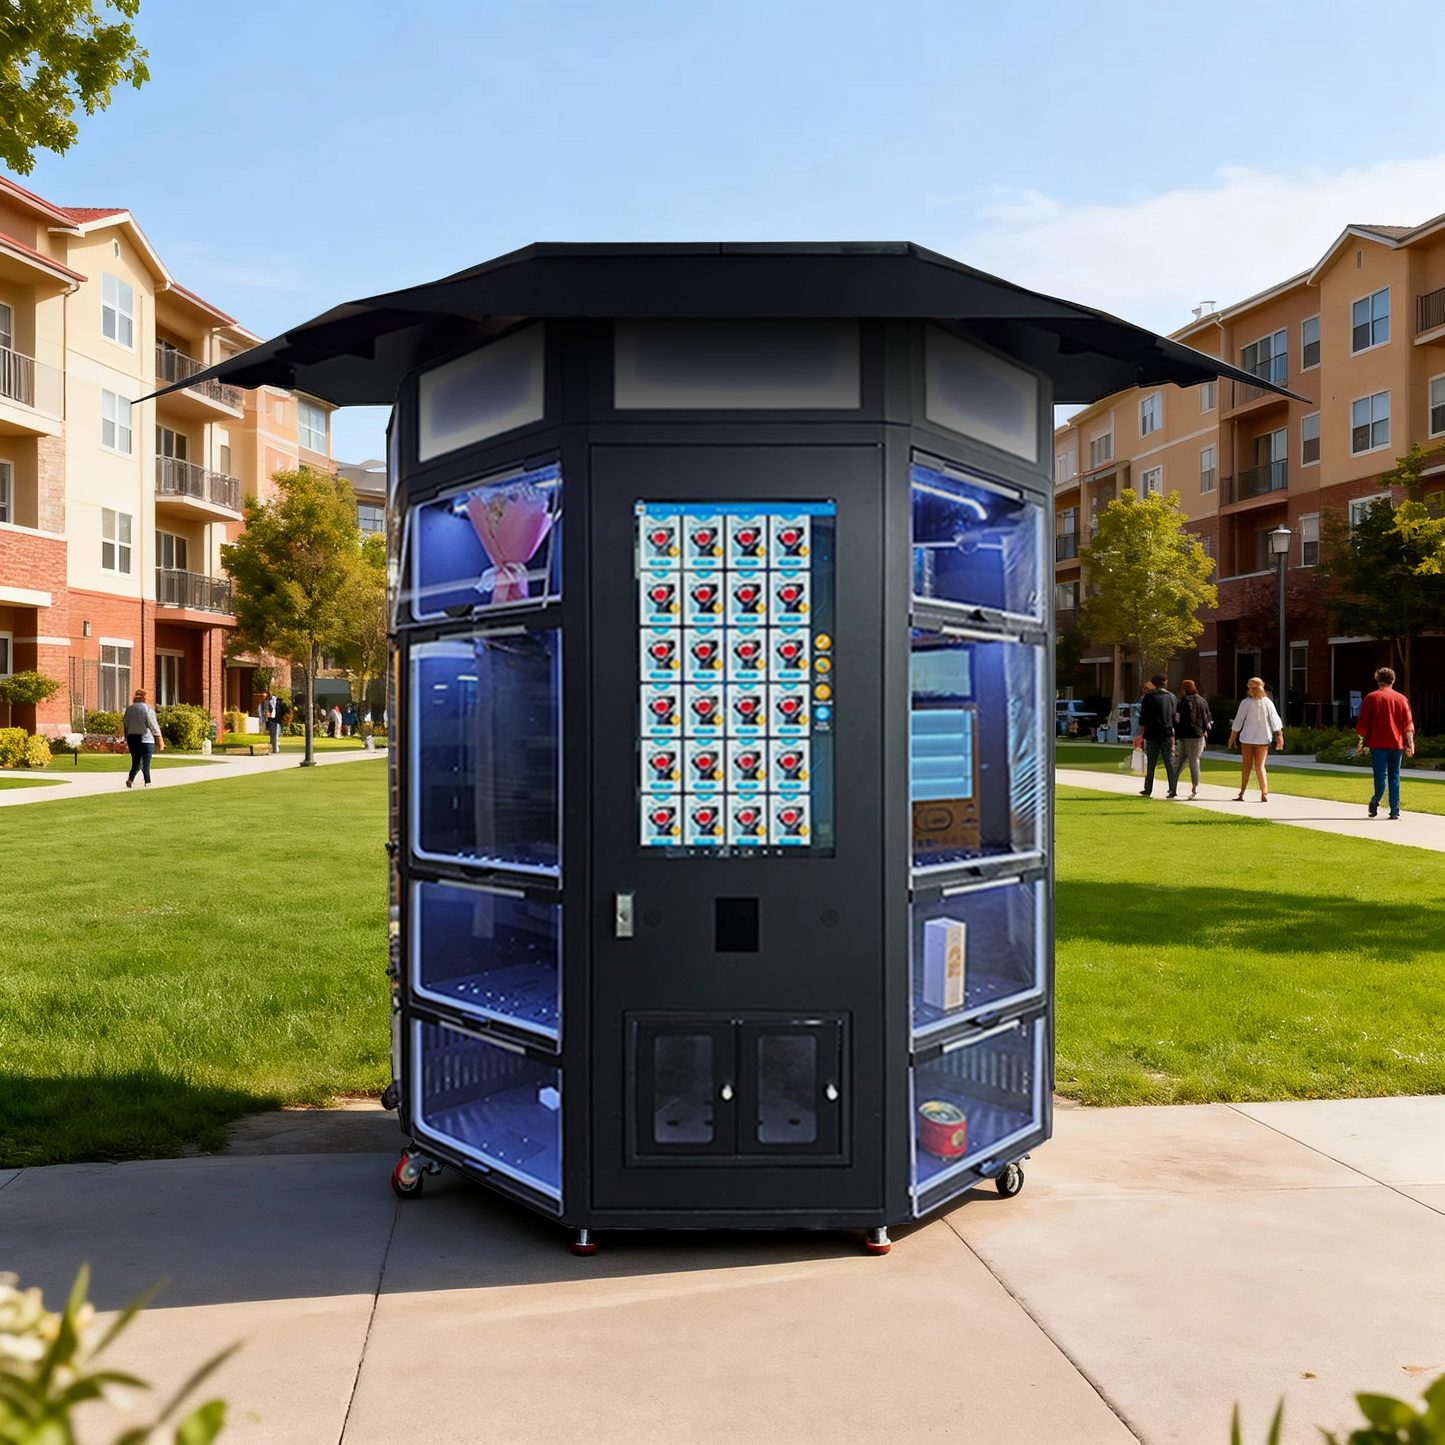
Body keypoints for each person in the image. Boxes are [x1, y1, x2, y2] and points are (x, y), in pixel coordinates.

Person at [1355, 666, 1414, 820]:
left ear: (1378, 680)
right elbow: (1408, 724)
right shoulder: (1402, 699)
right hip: (1397, 744)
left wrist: (1362, 741)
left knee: (1380, 776)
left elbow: (1362, 725)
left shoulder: (1371, 698)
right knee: (1395, 776)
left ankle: (1376, 801)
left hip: (1378, 743)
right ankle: (1395, 809)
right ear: (1393, 680)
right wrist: (1410, 744)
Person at [1228, 676, 1283, 801]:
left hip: (1248, 738)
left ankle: (1243, 792)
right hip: (1263, 739)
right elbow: (1275, 720)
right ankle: (1263, 792)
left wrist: (1232, 738)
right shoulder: (1267, 702)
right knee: (1260, 766)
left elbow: (1238, 722)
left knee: (1247, 766)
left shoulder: (1246, 703)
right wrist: (1279, 734)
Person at [1137, 673, 1181, 798]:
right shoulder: (1172, 697)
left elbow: (1143, 717)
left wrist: (1141, 734)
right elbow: (1174, 716)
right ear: (1165, 683)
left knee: (1151, 762)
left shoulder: (1148, 697)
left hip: (1151, 733)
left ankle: (1148, 788)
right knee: (1169, 761)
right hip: (1166, 732)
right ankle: (1173, 788)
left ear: (1153, 683)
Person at [1174, 680, 1213, 800]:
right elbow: (1208, 720)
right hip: (1197, 735)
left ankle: (1172, 786)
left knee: (1179, 762)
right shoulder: (1202, 701)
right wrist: (1205, 730)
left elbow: (1177, 719)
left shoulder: (1182, 702)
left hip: (1183, 735)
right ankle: (1195, 787)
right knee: (1194, 761)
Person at [122, 687, 164, 788]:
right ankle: (147, 781)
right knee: (146, 762)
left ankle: (130, 779)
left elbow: (126, 725)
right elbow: (153, 725)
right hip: (145, 738)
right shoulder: (148, 709)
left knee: (136, 761)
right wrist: (160, 740)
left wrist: (126, 738)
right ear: (145, 698)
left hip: (132, 737)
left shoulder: (129, 710)